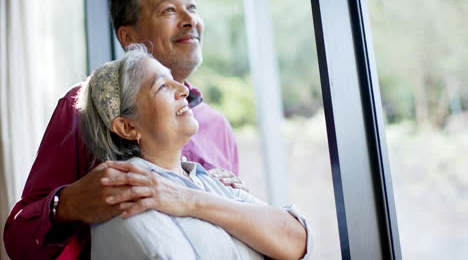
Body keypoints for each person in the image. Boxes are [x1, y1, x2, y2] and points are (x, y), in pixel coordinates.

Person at [3, 0, 247, 259]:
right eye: (168, 10)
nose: (190, 21)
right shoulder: (84, 109)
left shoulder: (218, 127)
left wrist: (231, 201)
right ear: (129, 37)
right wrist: (70, 203)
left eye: (192, 8)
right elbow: (19, 240)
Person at [78, 45, 311, 260]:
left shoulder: (208, 180)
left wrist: (191, 200)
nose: (183, 89)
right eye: (162, 86)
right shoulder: (130, 194)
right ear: (128, 127)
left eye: (174, 80)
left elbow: (297, 240)